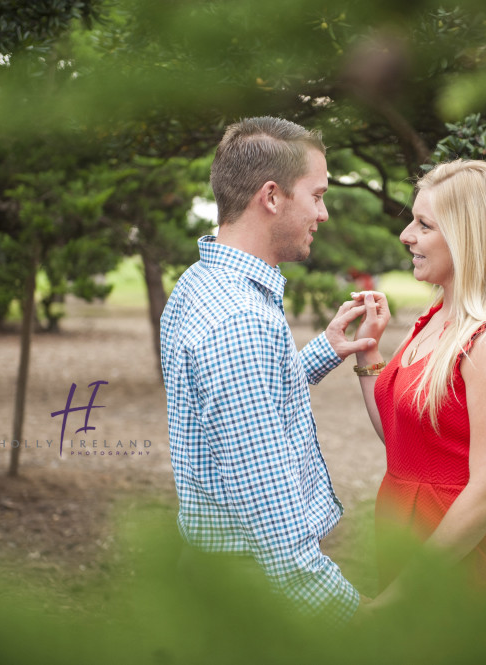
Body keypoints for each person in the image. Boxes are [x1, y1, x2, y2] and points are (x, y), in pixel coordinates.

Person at [159, 117, 377, 623]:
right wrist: (357, 619)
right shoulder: (239, 321)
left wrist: (325, 349)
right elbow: (276, 526)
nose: (323, 213)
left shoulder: (202, 281)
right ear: (272, 196)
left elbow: (243, 409)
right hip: (251, 588)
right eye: (317, 195)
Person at [348, 159, 486, 602]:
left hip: (464, 565)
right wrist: (369, 355)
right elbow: (404, 442)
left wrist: (396, 599)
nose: (406, 235)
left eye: (424, 225)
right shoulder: (434, 320)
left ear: (467, 239)